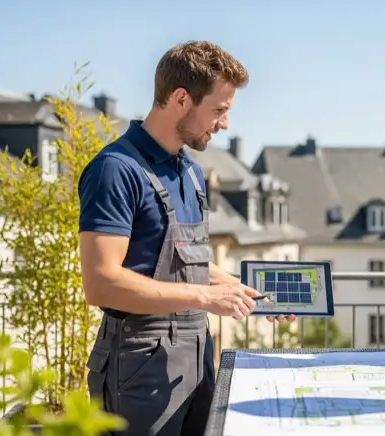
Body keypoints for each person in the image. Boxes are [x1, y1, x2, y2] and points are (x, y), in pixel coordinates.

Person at [78, 41, 292, 436]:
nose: (224, 123)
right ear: (180, 99)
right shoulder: (115, 171)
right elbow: (101, 282)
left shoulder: (190, 172)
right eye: (219, 110)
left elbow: (184, 260)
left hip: (196, 358)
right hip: (138, 365)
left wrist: (247, 294)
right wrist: (206, 298)